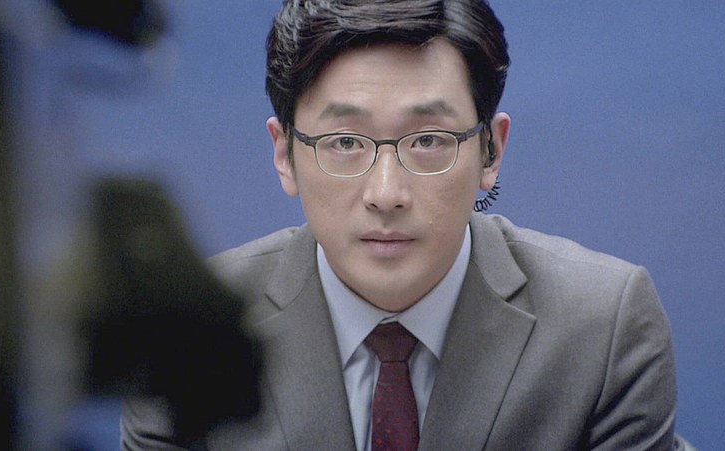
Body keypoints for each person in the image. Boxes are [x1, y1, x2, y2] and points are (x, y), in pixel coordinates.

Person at [122, 1, 686, 449]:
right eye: (345, 142)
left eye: (429, 140)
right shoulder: (182, 332)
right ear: (284, 154)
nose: (386, 194)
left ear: (491, 151)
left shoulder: (602, 327)